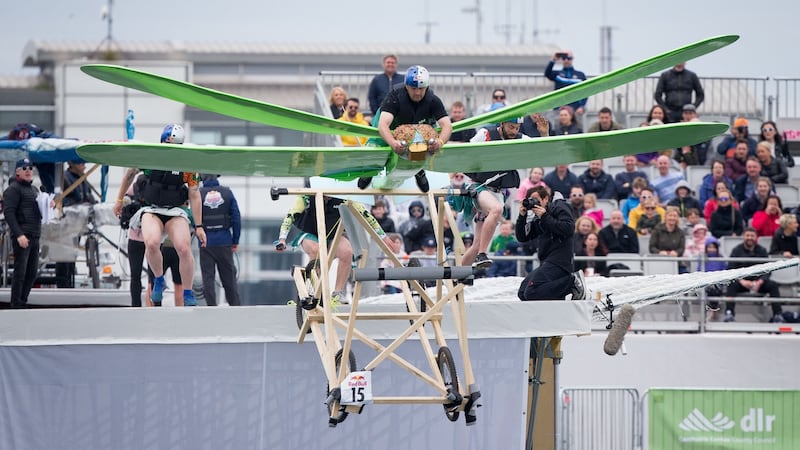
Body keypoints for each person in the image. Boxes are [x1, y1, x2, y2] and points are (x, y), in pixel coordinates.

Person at [112, 124, 207, 307]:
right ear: (162, 141)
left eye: (176, 145)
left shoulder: (188, 163)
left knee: (184, 248)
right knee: (153, 242)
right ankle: (159, 280)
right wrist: (118, 200)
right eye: (168, 143)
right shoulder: (150, 157)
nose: (171, 148)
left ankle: (188, 292)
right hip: (151, 209)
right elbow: (129, 174)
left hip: (176, 210)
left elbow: (194, 194)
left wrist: (199, 226)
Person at [276, 194, 391, 304]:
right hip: (310, 234)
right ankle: (318, 291)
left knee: (347, 251)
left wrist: (383, 237)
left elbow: (366, 215)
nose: (329, 196)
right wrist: (282, 239)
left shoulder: (343, 197)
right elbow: (290, 216)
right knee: (317, 250)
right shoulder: (306, 197)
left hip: (333, 235)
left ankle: (337, 293)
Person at [359, 65, 451, 193]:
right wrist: (392, 143)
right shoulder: (394, 97)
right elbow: (383, 125)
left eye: (421, 88)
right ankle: (369, 171)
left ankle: (419, 171)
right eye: (414, 88)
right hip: (389, 128)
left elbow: (447, 125)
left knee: (428, 141)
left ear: (427, 87)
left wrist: (440, 143)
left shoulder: (433, 100)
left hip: (418, 130)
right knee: (374, 149)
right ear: (406, 86)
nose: (418, 93)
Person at [462, 112, 532, 268]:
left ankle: (458, 276)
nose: (514, 131)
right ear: (502, 123)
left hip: (497, 191)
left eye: (517, 128)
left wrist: (544, 134)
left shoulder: (521, 139)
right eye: (511, 127)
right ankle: (482, 255)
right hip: (478, 186)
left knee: (477, 243)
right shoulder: (485, 134)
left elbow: (541, 150)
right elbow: (466, 154)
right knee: (496, 209)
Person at [516, 186, 585, 300]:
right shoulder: (538, 218)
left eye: (536, 199)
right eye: (530, 199)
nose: (533, 202)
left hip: (560, 262)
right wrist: (522, 217)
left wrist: (545, 217)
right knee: (523, 293)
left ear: (545, 199)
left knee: (531, 292)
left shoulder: (559, 207)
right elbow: (523, 237)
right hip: (546, 262)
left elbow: (568, 229)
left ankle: (572, 283)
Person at [4, 158, 42, 308]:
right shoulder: (13, 189)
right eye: (24, 168)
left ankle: (22, 300)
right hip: (23, 235)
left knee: (32, 272)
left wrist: (48, 205)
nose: (28, 170)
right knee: (20, 271)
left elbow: (39, 211)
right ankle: (16, 303)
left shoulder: (34, 190)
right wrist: (19, 234)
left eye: (30, 168)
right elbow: (9, 213)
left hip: (35, 234)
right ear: (17, 171)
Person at [723, 228, 783, 323]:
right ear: (743, 237)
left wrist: (760, 281)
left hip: (758, 283)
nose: (749, 238)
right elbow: (731, 269)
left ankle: (778, 315)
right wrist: (742, 281)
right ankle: (729, 313)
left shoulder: (762, 250)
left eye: (752, 236)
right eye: (747, 235)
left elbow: (768, 270)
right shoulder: (736, 250)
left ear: (756, 238)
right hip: (742, 282)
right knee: (731, 285)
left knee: (773, 285)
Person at [198, 174, 241, 306]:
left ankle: (211, 308)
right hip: (224, 241)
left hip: (206, 242)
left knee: (208, 278)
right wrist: (235, 240)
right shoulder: (227, 192)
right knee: (229, 279)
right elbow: (236, 218)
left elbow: (193, 218)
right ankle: (236, 308)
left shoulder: (198, 194)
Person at [544, 50, 587, 116]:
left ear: (572, 59)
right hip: (559, 109)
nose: (566, 60)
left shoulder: (580, 75)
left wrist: (582, 106)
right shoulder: (557, 74)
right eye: (564, 58)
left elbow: (586, 91)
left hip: (575, 110)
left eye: (569, 58)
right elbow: (547, 74)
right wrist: (553, 60)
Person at [649, 206, 687, 272]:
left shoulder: (680, 232)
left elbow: (682, 248)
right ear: (666, 217)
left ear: (678, 218)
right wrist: (659, 252)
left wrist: (676, 252)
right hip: (659, 261)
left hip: (675, 262)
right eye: (670, 215)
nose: (672, 218)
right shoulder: (657, 230)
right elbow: (652, 247)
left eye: (675, 216)